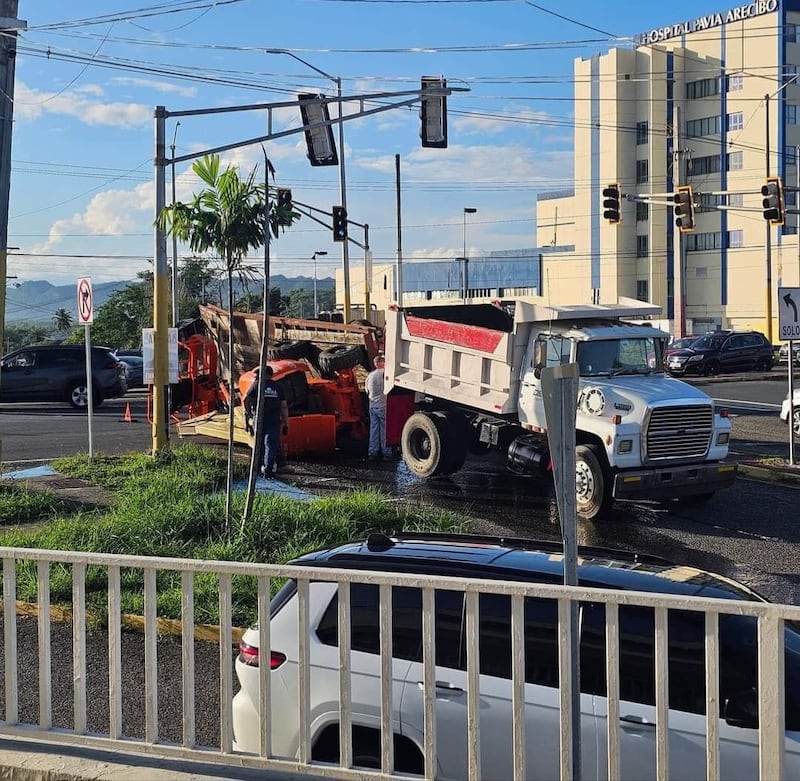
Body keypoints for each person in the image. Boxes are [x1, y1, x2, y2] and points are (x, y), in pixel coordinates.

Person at [244, 365, 289, 478]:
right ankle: (268, 471)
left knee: (258, 444)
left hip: (258, 419)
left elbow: (245, 399)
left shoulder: (256, 385)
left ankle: (257, 469)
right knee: (270, 444)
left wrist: (248, 412)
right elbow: (284, 406)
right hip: (273, 420)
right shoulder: (278, 387)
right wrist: (286, 422)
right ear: (271, 375)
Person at [365, 354, 392, 461]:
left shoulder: (370, 376)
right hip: (382, 406)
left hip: (372, 406)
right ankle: (386, 453)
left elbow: (367, 391)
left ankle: (372, 452)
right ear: (382, 363)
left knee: (373, 430)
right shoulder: (385, 373)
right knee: (384, 431)